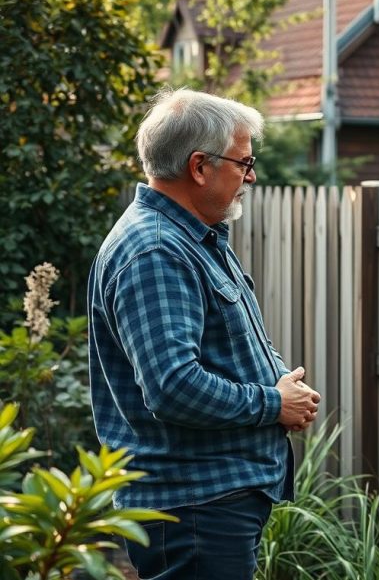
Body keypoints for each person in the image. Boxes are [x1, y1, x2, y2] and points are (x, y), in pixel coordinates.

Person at [88, 89, 321, 580]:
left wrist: (285, 387)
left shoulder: (195, 237)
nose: (251, 176)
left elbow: (230, 341)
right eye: (244, 162)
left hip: (211, 504)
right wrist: (272, 404)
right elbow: (173, 387)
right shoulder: (155, 251)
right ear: (199, 166)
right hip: (194, 507)